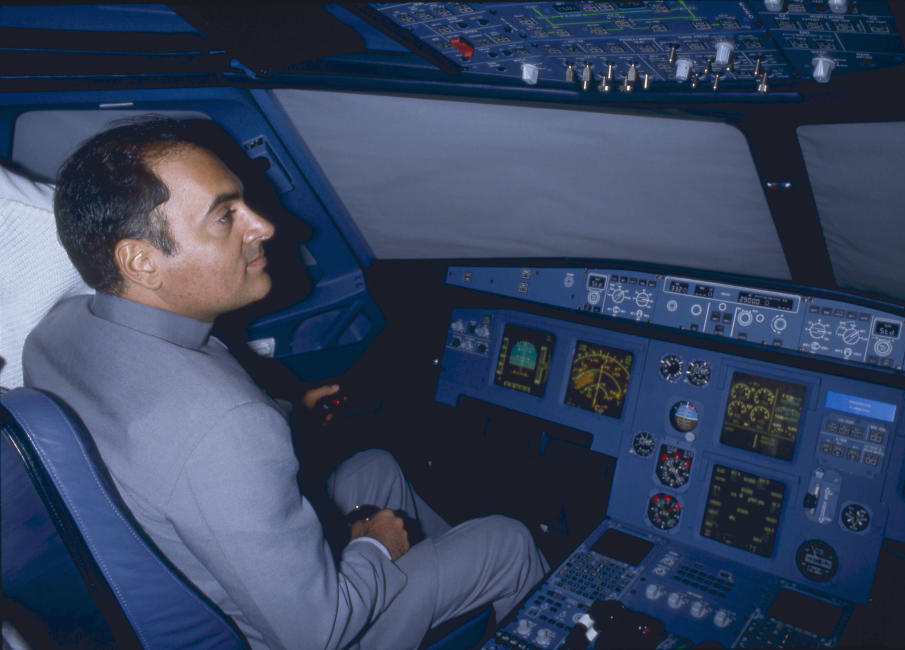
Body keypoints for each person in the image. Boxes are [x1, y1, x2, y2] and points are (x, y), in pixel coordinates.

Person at [22, 117, 547, 649]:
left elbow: (176, 440)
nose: (263, 226)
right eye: (225, 215)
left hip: (174, 562)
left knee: (376, 468)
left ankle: (447, 594)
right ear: (140, 260)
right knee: (505, 542)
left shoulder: (59, 330)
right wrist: (378, 549)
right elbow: (317, 633)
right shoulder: (225, 428)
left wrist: (287, 408)